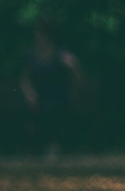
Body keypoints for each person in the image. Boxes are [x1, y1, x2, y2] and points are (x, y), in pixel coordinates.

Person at [19, 17, 83, 159]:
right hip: (37, 95)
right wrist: (29, 93)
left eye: (39, 32)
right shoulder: (32, 54)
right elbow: (25, 78)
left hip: (57, 95)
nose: (36, 35)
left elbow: (77, 77)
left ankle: (53, 145)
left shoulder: (61, 54)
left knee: (53, 108)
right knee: (28, 108)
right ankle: (34, 148)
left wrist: (73, 68)